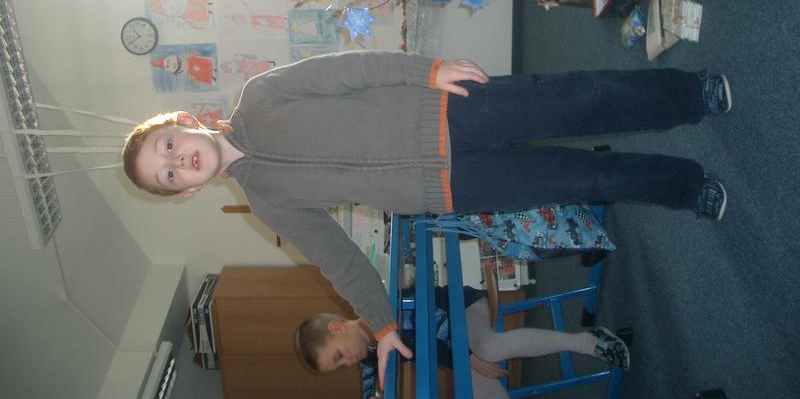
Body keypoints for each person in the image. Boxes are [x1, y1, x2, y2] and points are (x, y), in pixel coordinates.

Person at [122, 51, 732, 387]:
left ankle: (689, 94)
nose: (179, 161)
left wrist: (426, 72)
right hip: (448, 187)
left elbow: (350, 70)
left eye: (168, 147)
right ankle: (686, 188)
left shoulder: (259, 96)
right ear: (184, 193)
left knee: (580, 100)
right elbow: (337, 257)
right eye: (168, 174)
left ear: (182, 123)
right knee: (581, 179)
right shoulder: (266, 203)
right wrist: (383, 325)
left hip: (448, 111)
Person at [296, 285, 631, 399]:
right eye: (339, 366)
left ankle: (588, 342)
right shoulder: (369, 354)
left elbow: (439, 322)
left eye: (338, 356)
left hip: (464, 307)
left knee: (487, 348)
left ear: (338, 328)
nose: (347, 363)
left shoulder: (381, 308)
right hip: (459, 352)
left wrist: (468, 357)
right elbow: (372, 383)